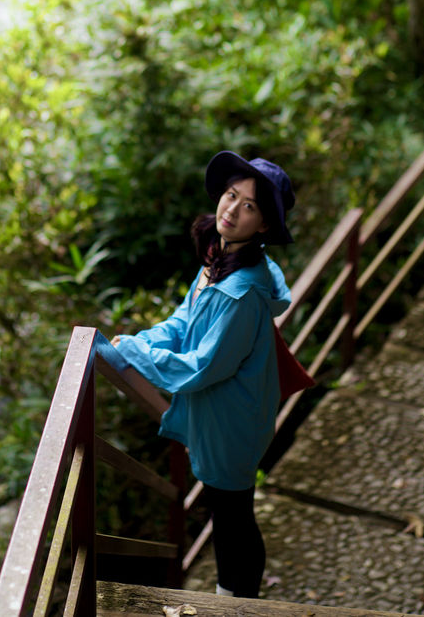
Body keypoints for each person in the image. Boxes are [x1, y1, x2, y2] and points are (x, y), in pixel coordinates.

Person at [109, 151, 296, 599]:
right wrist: (143, 341)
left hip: (231, 419)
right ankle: (232, 591)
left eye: (249, 205)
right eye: (231, 195)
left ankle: (236, 597)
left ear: (265, 224)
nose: (231, 209)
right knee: (227, 509)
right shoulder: (221, 256)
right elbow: (182, 320)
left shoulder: (242, 293)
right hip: (221, 412)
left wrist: (135, 351)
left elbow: (203, 367)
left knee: (232, 514)